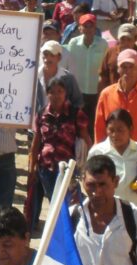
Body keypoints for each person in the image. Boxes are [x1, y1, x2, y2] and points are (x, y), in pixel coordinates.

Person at [30, 77, 91, 229]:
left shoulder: (76, 114)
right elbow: (36, 142)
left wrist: (91, 163)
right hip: (46, 168)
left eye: (60, 91)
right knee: (56, 203)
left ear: (66, 93)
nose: (56, 95)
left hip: (68, 169)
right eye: (52, 92)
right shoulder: (41, 114)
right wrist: (32, 167)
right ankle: (62, 232)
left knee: (69, 202)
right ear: (47, 93)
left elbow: (86, 139)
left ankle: (73, 230)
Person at [88, 109, 137, 210]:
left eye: (120, 130)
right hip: (106, 212)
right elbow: (88, 181)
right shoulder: (97, 153)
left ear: (130, 130)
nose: (115, 135)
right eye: (111, 130)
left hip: (136, 210)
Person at [66, 13, 109, 131]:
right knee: (77, 125)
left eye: (91, 26)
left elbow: (105, 68)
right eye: (85, 26)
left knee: (93, 125)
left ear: (95, 28)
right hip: (78, 91)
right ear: (80, 28)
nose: (88, 29)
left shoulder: (103, 44)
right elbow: (68, 65)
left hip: (95, 91)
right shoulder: (73, 43)